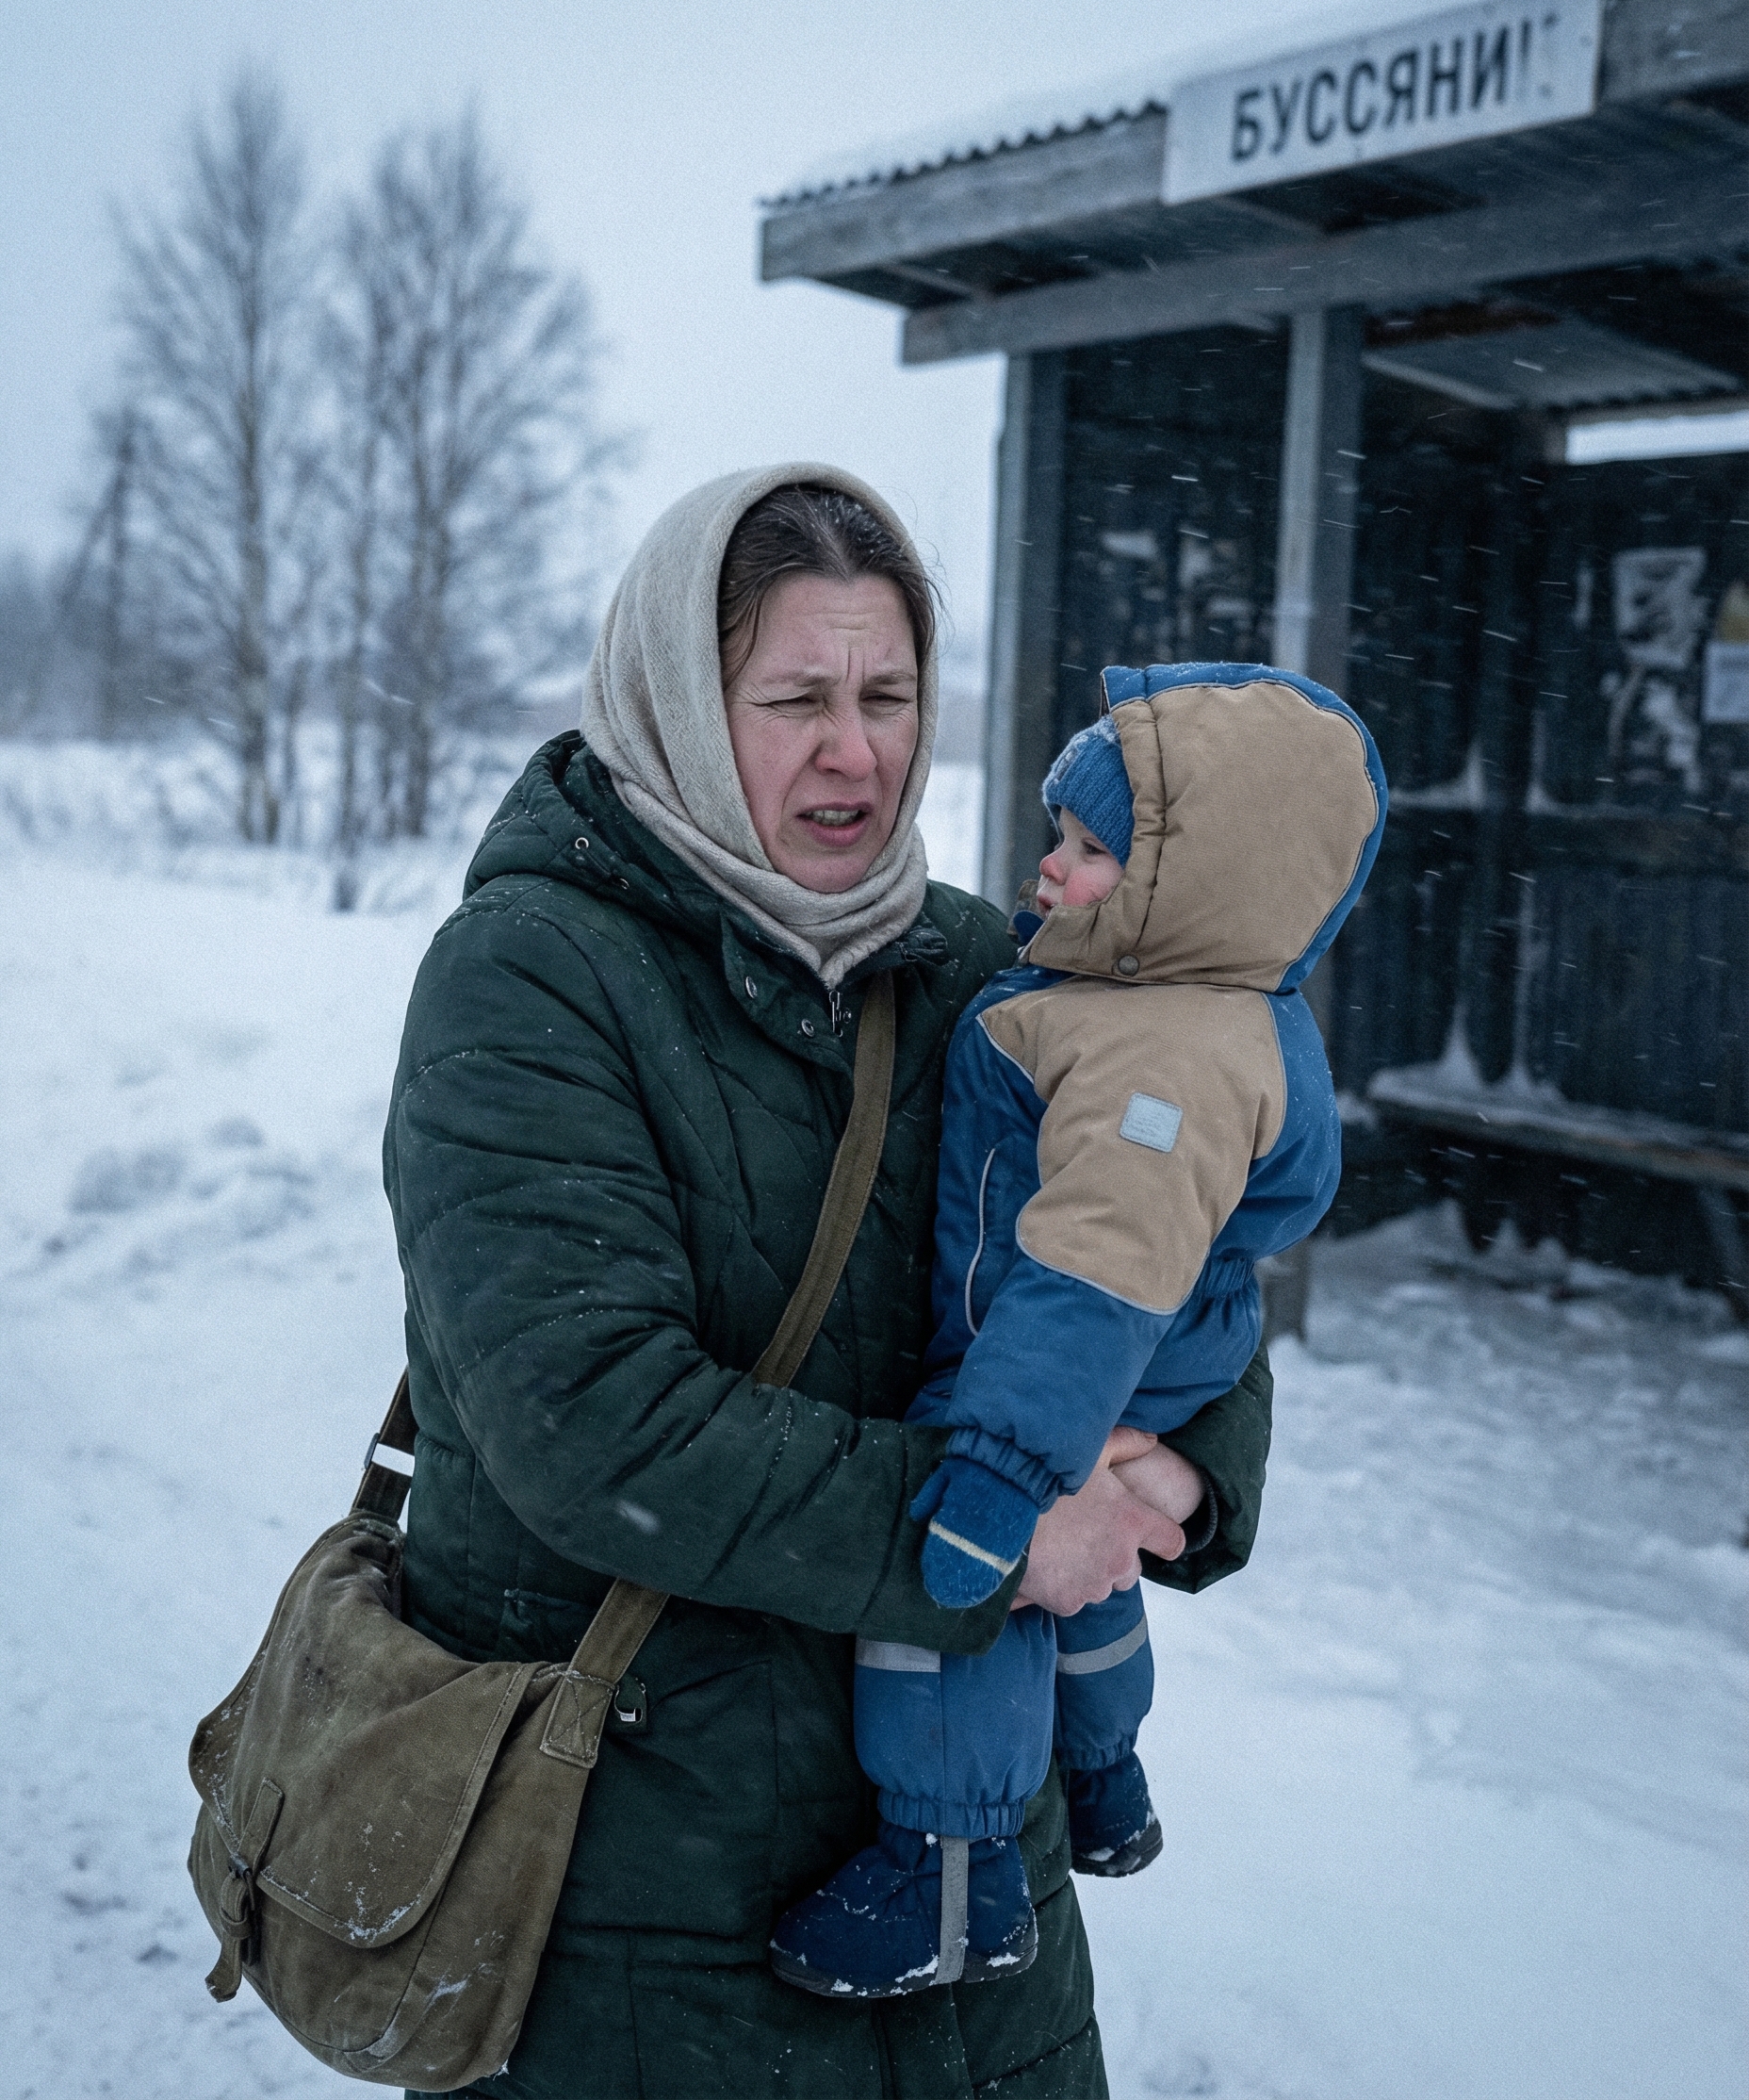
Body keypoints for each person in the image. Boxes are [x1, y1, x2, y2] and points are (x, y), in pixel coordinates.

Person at [383, 468, 1275, 2100]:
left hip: (979, 1892)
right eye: (793, 698)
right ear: (675, 696)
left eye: (888, 694)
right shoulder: (531, 976)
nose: (853, 749)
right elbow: (589, 1425)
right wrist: (989, 1534)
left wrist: (1174, 1468)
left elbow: (1161, 1237)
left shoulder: (975, 970)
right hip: (649, 1896)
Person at [770, 665, 1387, 2000]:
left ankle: (951, 1879)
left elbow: (1095, 1277)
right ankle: (1105, 1780)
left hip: (1041, 1364)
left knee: (963, 1601)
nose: (1048, 869)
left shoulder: (1153, 1053)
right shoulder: (1183, 1001)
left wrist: (996, 1466)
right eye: (1059, 835)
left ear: (1191, 886)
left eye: (1090, 850)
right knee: (1088, 1564)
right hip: (1131, 1363)